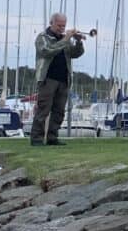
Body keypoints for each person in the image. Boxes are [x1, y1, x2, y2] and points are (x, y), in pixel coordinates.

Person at [31, 13, 86, 146]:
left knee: (59, 111)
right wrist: (66, 39)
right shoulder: (43, 37)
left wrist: (78, 41)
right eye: (59, 25)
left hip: (64, 79)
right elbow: (47, 51)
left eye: (64, 26)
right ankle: (37, 138)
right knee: (43, 109)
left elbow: (75, 54)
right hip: (48, 78)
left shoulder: (64, 39)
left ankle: (52, 137)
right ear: (52, 23)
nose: (62, 28)